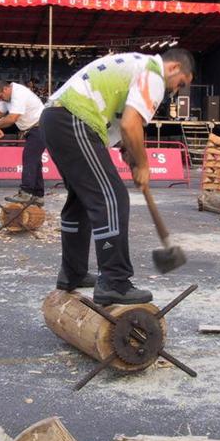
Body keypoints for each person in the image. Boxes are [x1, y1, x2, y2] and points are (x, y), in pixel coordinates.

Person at [40, 48, 194, 306]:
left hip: (55, 118)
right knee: (113, 198)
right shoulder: (154, 74)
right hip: (74, 118)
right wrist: (143, 165)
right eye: (180, 83)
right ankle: (114, 282)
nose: (176, 91)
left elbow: (124, 125)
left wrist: (129, 151)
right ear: (174, 67)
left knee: (81, 201)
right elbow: (131, 124)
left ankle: (72, 272)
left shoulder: (138, 66)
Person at [0, 80, 45, 206]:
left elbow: (12, 118)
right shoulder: (4, 96)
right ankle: (38, 195)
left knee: (29, 157)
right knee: (35, 161)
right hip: (30, 129)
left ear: (6, 89)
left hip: (40, 126)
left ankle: (26, 192)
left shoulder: (19, 93)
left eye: (0, 96)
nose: (0, 99)